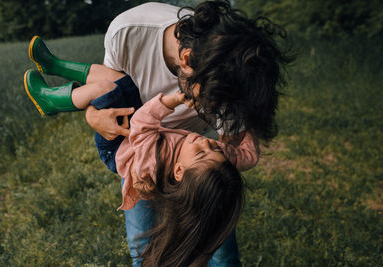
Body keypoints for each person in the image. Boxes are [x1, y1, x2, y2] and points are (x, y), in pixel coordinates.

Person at [25, 0, 293, 265]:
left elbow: (232, 153)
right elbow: (110, 93)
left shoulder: (232, 74)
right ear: (187, 59)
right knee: (143, 238)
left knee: (213, 227)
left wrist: (235, 144)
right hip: (137, 141)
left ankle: (54, 75)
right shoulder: (128, 33)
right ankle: (55, 74)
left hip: (151, 148)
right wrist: (93, 116)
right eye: (211, 102)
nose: (205, 142)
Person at [23, 63, 259, 265]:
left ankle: (53, 100)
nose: (206, 142)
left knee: (106, 89)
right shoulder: (214, 160)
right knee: (121, 81)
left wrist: (169, 102)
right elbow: (245, 156)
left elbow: (141, 124)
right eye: (214, 147)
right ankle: (54, 65)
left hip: (119, 146)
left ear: (179, 170)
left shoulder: (151, 161)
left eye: (201, 151)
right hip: (154, 155)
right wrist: (246, 120)